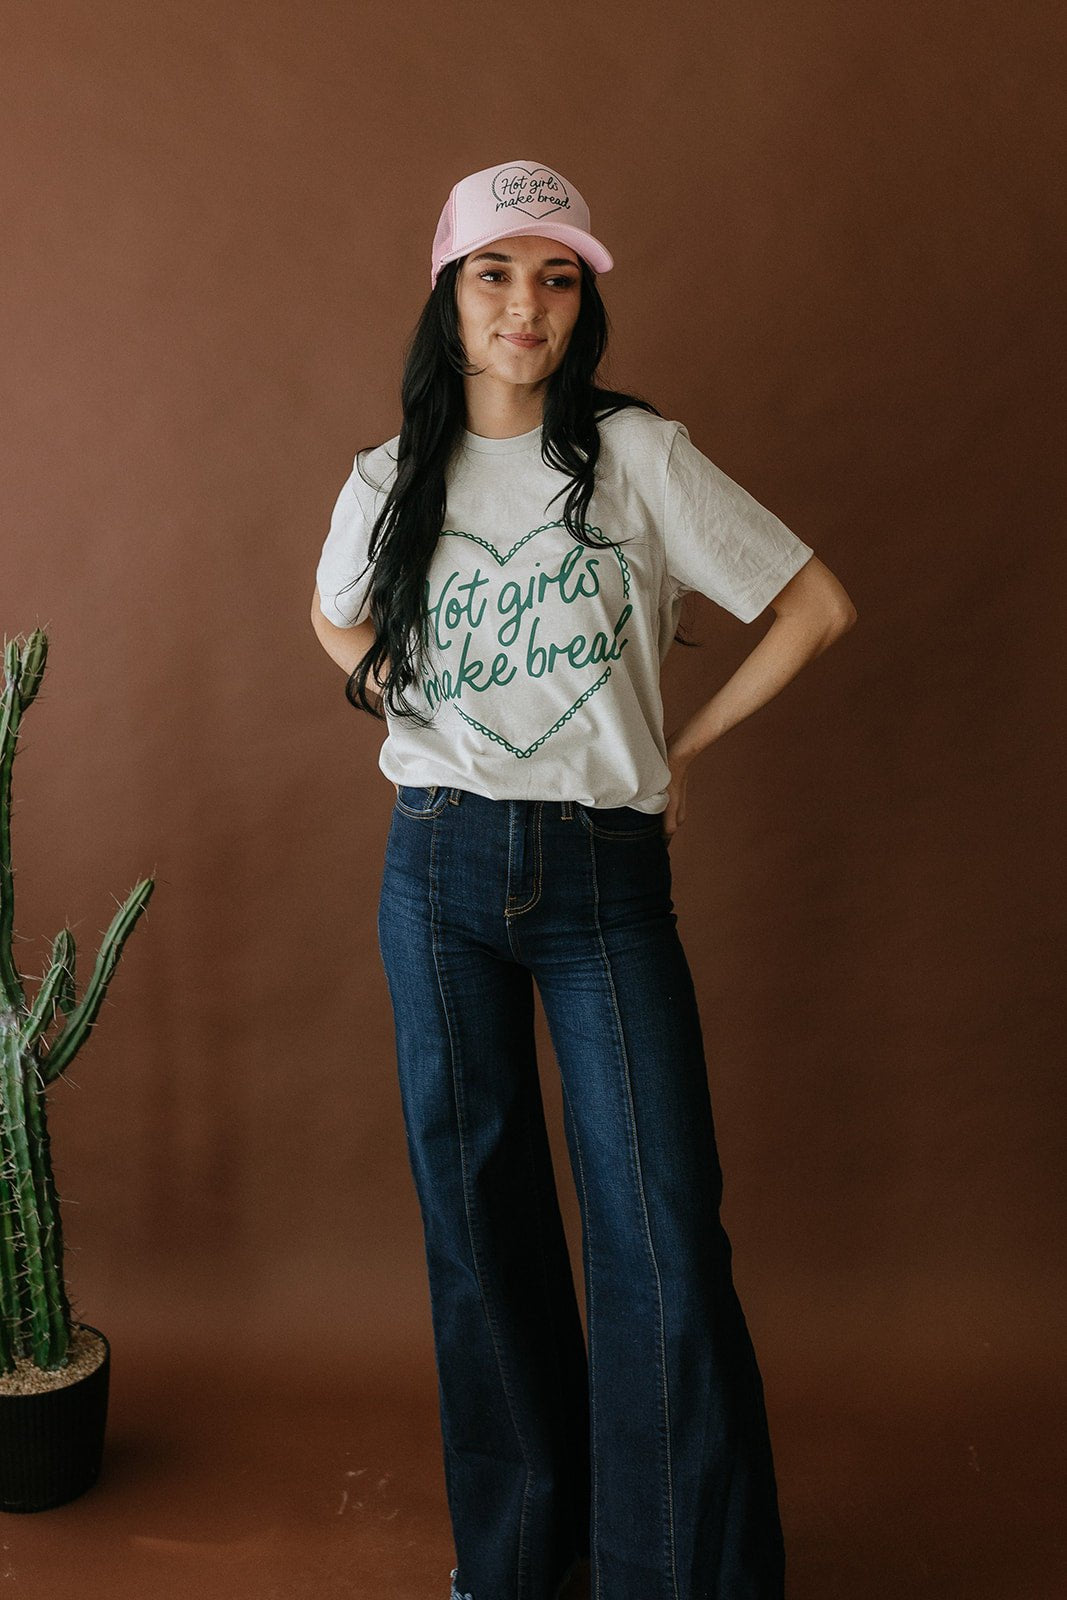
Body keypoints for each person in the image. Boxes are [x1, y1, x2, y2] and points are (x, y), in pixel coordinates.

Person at [311, 158, 857, 1600]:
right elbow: (331, 612)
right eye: (496, 274)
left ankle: (671, 1574)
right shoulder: (390, 479)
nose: (526, 305)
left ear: (581, 303)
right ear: (449, 292)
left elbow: (816, 605)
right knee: (480, 1233)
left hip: (604, 880)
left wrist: (686, 745)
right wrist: (397, 695)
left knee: (660, 1228)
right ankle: (512, 1561)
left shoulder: (639, 458)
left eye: (557, 278)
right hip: (434, 871)